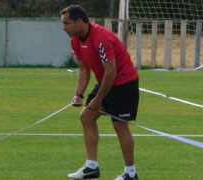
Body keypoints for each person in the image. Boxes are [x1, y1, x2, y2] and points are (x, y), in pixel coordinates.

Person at [61, 5, 139, 180]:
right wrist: (78, 95)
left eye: (67, 23)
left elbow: (111, 72)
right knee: (86, 117)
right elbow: (83, 69)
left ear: (79, 22)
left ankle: (131, 173)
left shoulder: (101, 38)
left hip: (124, 82)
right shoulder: (75, 41)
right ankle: (91, 167)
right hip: (106, 80)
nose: (64, 28)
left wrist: (98, 99)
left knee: (119, 125)